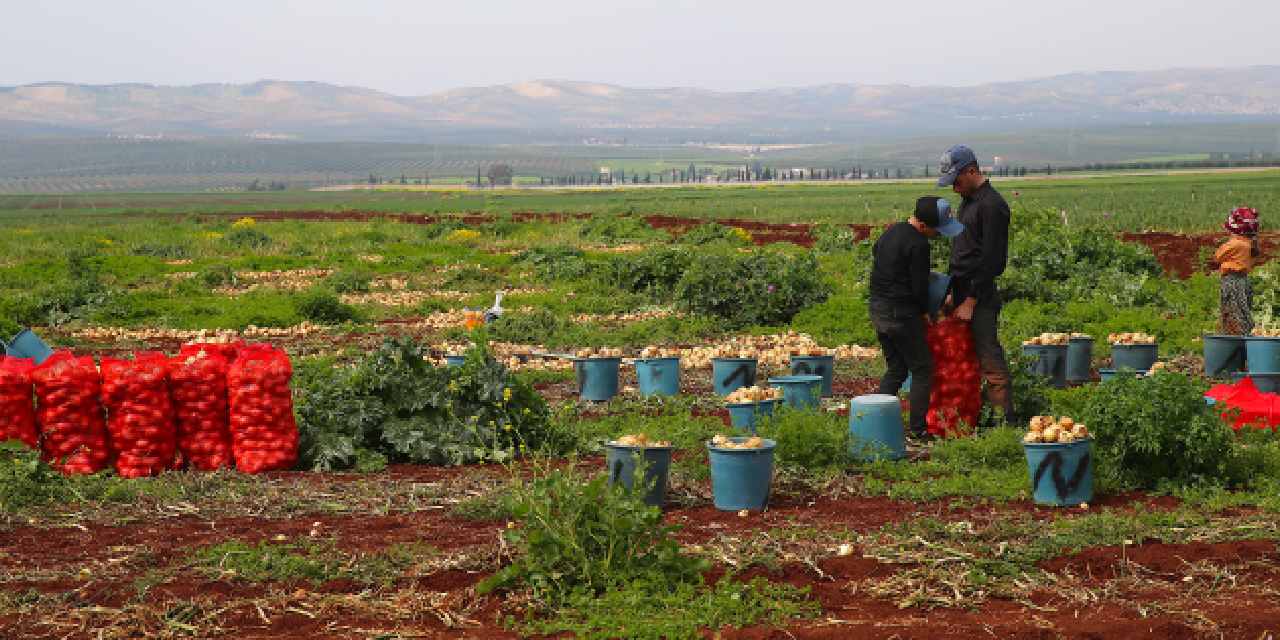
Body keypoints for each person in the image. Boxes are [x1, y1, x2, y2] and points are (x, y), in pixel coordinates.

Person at [869, 196, 964, 438]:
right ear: (922, 225)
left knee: (896, 369)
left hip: (879, 309)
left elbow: (877, 253)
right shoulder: (919, 244)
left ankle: (877, 422)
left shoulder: (891, 232)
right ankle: (919, 430)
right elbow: (919, 288)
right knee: (922, 368)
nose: (938, 235)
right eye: (936, 230)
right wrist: (926, 312)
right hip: (901, 314)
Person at [936, 145, 1014, 418]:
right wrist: (950, 292)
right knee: (958, 357)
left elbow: (992, 261)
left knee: (989, 360)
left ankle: (1003, 425)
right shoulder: (968, 201)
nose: (954, 189)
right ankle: (964, 416)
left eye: (956, 182)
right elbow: (962, 252)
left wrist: (970, 300)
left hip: (978, 298)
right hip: (959, 291)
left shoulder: (993, 206)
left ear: (971, 171)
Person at [1216, 207, 1261, 335]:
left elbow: (1218, 255)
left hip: (1231, 281)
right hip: (1243, 280)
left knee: (1233, 313)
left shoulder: (1235, 244)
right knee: (1242, 309)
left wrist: (1226, 243)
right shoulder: (1251, 244)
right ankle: (1243, 337)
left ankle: (1238, 342)